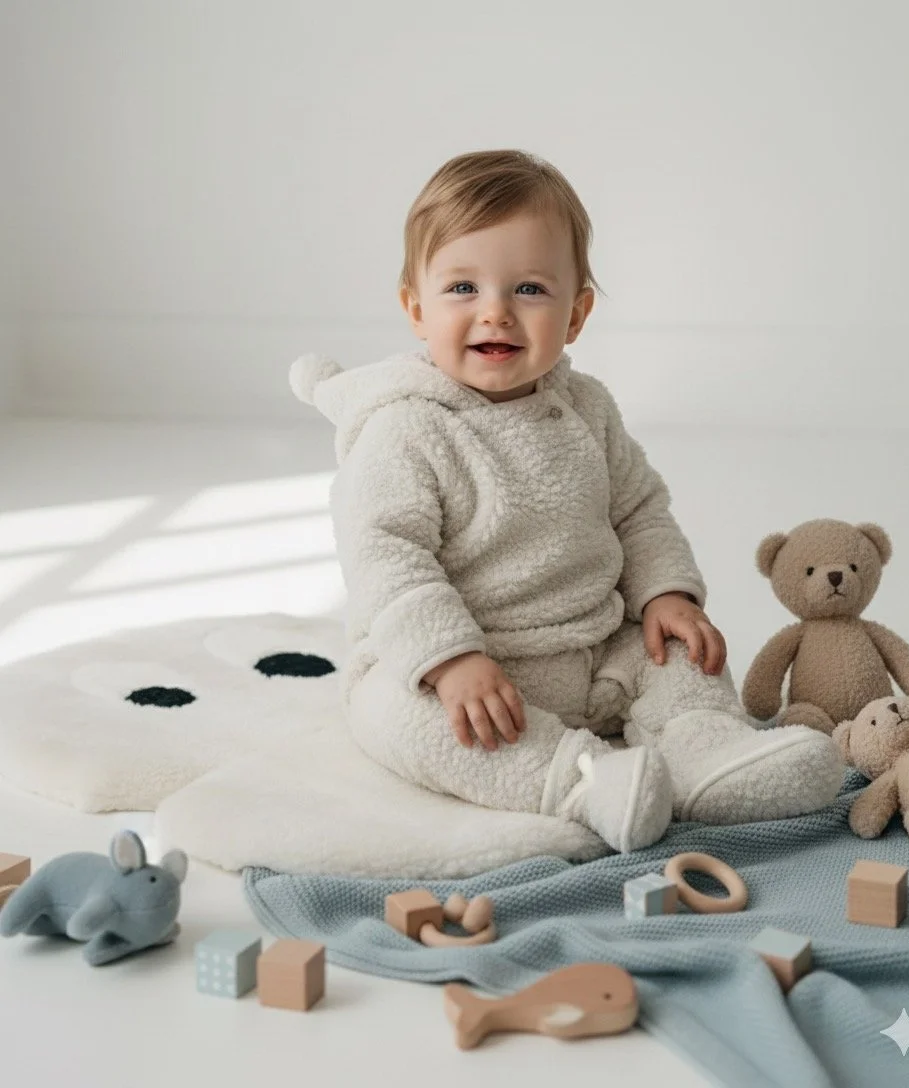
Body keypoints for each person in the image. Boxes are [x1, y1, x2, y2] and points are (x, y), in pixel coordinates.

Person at [290, 148, 844, 853]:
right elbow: (382, 551)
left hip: (595, 644)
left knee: (682, 654)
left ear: (576, 314)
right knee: (393, 715)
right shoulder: (406, 428)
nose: (495, 312)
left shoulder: (587, 409)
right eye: (462, 288)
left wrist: (667, 594)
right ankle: (582, 781)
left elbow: (639, 507)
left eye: (528, 289)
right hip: (469, 669)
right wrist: (449, 657)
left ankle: (704, 749)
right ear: (415, 309)